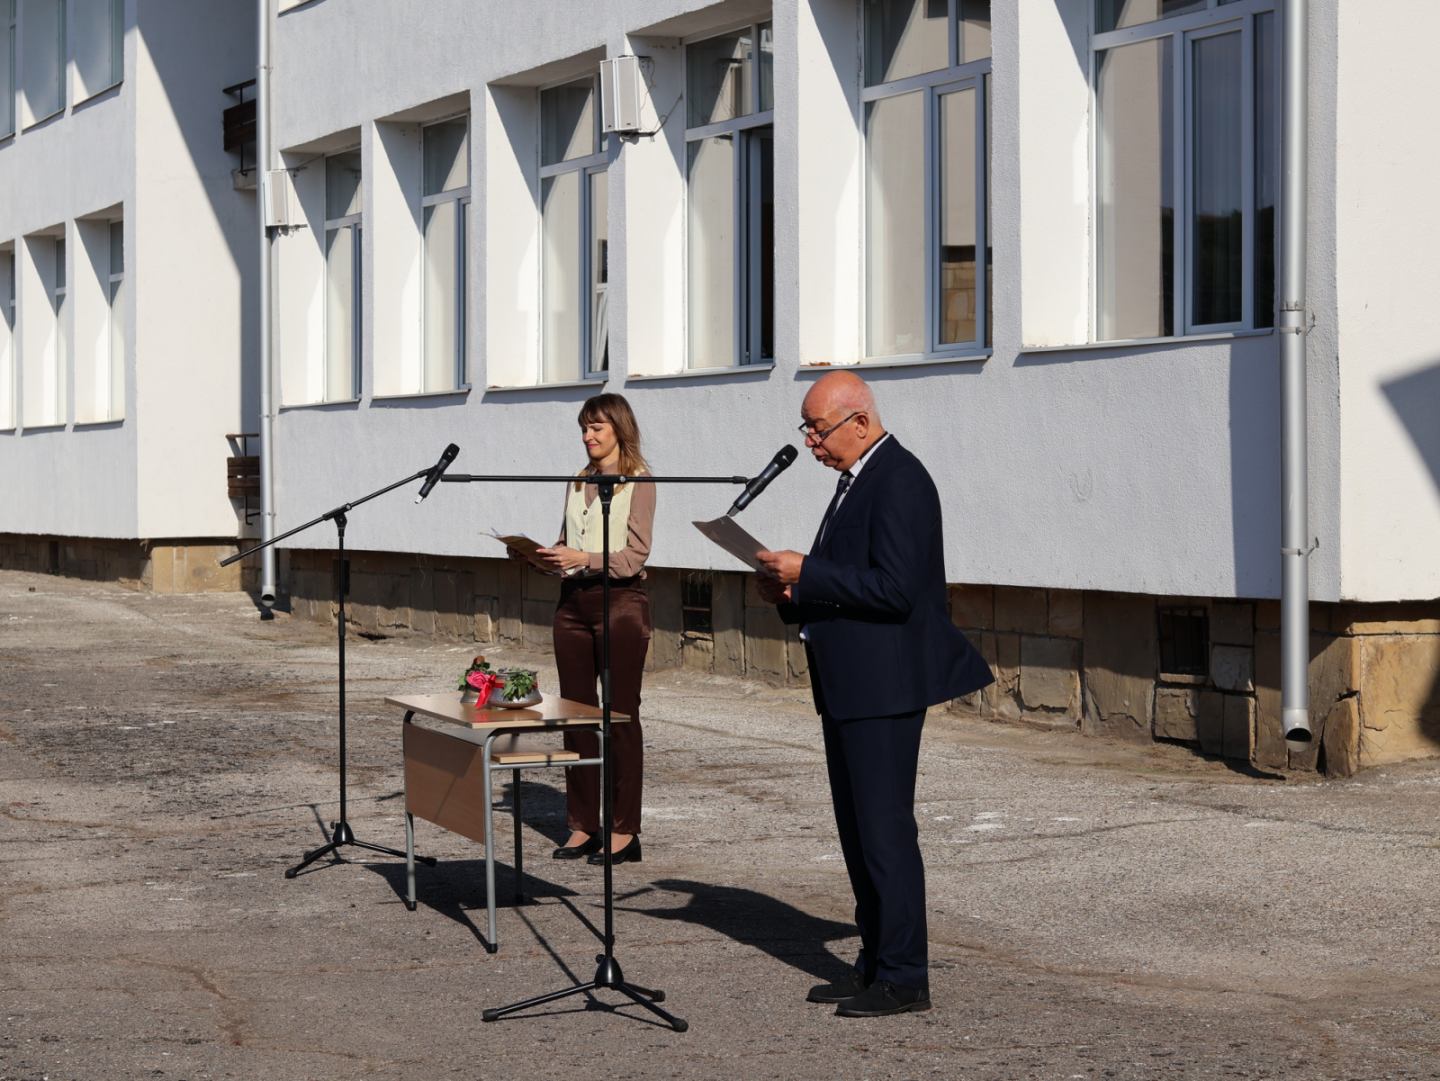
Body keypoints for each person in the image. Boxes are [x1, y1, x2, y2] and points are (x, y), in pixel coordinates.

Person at [756, 370, 993, 1018]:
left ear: (859, 422)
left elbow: (895, 589)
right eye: (806, 429)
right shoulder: (855, 479)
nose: (811, 442)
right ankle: (875, 961)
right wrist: (790, 591)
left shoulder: (900, 479)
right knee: (859, 834)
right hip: (848, 684)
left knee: (885, 833)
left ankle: (905, 975)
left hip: (884, 687)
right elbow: (849, 581)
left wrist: (808, 570)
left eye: (818, 429)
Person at [533, 394, 653, 866]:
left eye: (597, 427)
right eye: (584, 428)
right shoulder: (577, 480)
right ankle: (583, 824)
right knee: (575, 715)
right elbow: (568, 541)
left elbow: (634, 556)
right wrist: (544, 556)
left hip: (620, 603)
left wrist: (583, 557)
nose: (588, 436)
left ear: (619, 429)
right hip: (572, 604)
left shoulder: (639, 481)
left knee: (619, 715)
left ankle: (624, 830)